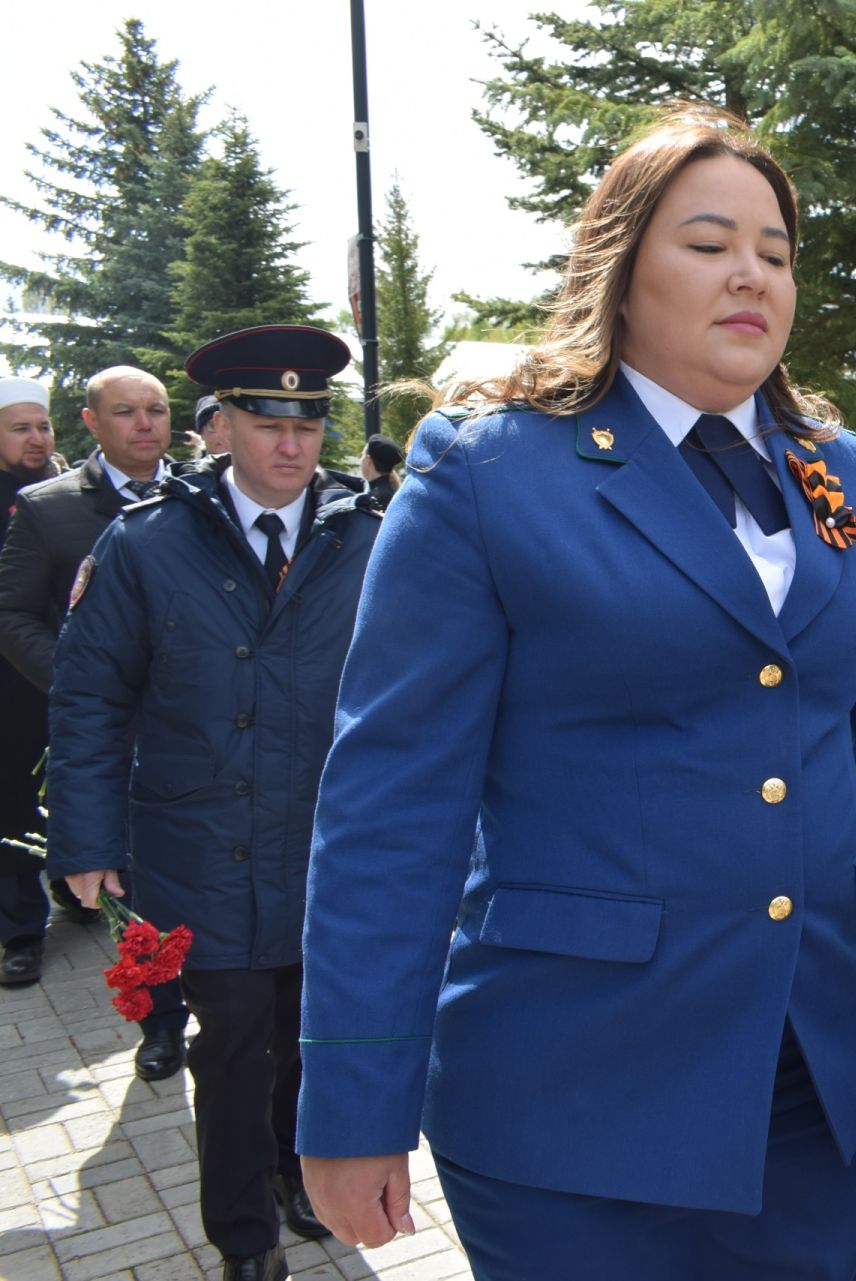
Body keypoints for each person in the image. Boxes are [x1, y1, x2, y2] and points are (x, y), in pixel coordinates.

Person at [292, 107, 856, 1281]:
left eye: (775, 251)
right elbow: (390, 807)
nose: (751, 274)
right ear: (620, 266)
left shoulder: (840, 468)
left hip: (818, 1074)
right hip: (577, 1092)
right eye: (709, 243)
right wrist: (356, 1098)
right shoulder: (494, 470)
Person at [47, 326, 380, 1281]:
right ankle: (244, 1236)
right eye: (268, 421)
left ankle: (295, 1176)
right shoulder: (147, 544)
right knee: (233, 1044)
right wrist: (85, 837)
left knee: (310, 1034)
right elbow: (90, 696)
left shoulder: (373, 543)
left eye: (309, 422)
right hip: (202, 849)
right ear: (222, 425)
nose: (291, 443)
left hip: (325, 851)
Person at [0, 366, 191, 1077]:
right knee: (137, 889)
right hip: (114, 741)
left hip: (197, 730)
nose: (145, 424)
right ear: (91, 420)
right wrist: (81, 681)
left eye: (157, 410)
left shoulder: (204, 494)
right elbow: (12, 613)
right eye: (126, 412)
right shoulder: (49, 509)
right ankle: (162, 1023)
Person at [0, 376, 62, 988]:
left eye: (41, 426)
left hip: (69, 676)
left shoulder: (66, 495)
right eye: (21, 428)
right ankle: (20, 927)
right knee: (15, 796)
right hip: (10, 685)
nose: (37, 439)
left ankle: (79, 885)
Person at [358, 433, 402, 509]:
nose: (360, 459)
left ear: (368, 460)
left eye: (362, 454)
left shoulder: (373, 499)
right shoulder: (392, 493)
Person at [186, 393, 229, 458]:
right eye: (213, 426)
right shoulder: (189, 468)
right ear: (201, 433)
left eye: (227, 425)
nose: (221, 433)